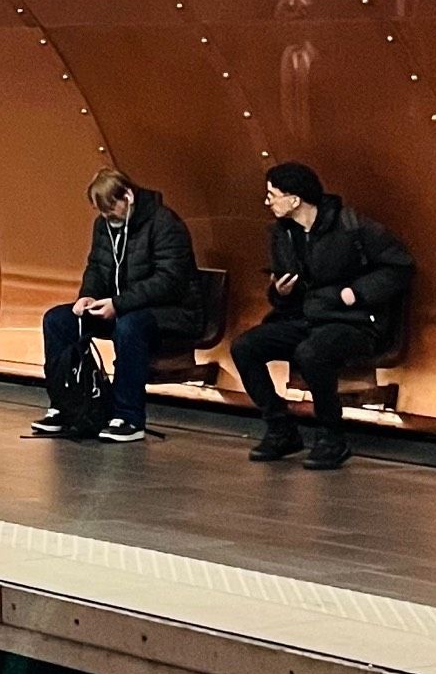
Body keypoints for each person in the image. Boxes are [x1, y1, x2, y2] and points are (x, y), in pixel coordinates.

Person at [231, 162, 413, 471]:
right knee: (245, 347)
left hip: (353, 322)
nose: (267, 202)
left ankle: (332, 436)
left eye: (272, 195)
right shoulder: (282, 234)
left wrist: (355, 293)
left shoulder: (351, 225)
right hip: (306, 318)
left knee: (311, 353)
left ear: (295, 199)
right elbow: (284, 286)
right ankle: (280, 427)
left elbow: (400, 267)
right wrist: (280, 293)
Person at [32, 168, 198, 443]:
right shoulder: (104, 225)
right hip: (119, 307)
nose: (109, 218)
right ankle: (65, 405)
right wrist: (87, 296)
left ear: (128, 197)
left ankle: (128, 416)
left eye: (112, 211)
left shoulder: (164, 222)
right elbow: (97, 266)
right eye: (103, 213)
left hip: (170, 312)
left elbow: (169, 281)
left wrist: (119, 304)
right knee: (57, 320)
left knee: (130, 326)